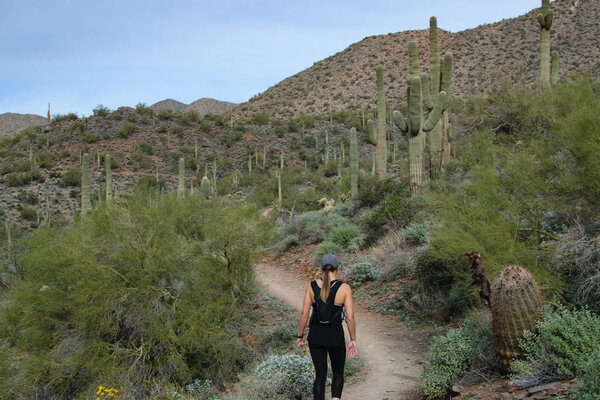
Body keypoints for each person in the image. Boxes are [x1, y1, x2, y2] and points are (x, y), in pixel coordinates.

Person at [296, 254, 358, 400]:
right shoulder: (344, 288)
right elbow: (350, 317)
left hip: (316, 336)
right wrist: (353, 340)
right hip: (335, 336)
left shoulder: (311, 286)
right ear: (338, 268)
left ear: (322, 268)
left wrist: (300, 336)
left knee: (320, 376)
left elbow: (304, 314)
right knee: (337, 372)